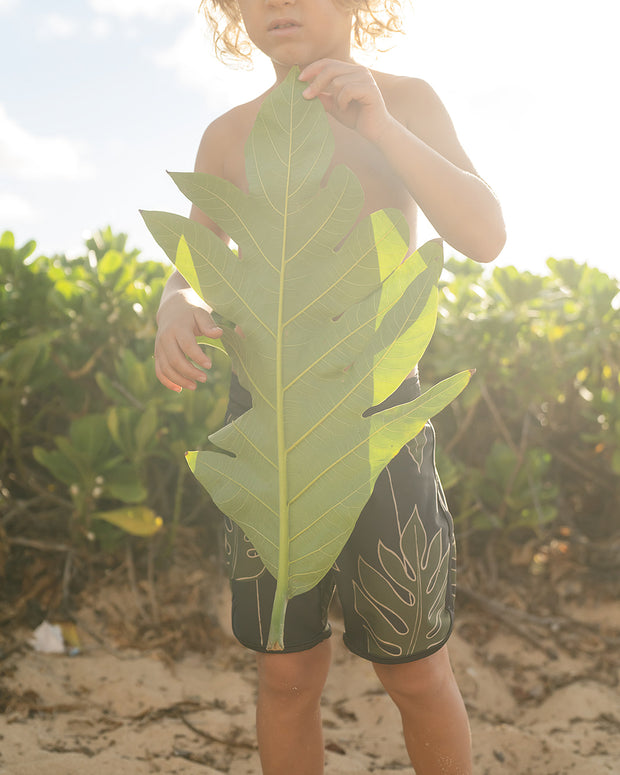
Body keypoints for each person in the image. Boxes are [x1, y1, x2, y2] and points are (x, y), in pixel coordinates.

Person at [154, 1, 505, 773]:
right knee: (285, 670)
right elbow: (196, 267)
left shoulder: (404, 102)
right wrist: (175, 306)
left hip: (378, 418)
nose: (279, 1)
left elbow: (482, 234)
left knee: (414, 670)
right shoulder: (229, 136)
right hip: (269, 420)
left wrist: (379, 126)